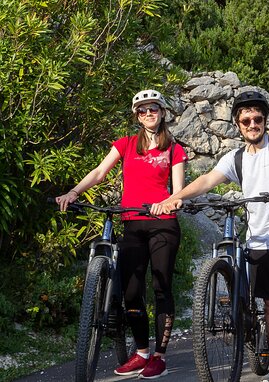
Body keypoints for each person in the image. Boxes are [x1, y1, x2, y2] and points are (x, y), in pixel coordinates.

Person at [152, 90, 269, 382]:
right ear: (237, 124)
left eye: (257, 118)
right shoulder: (236, 158)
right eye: (246, 120)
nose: (252, 124)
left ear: (265, 120)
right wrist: (175, 198)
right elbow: (206, 180)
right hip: (258, 242)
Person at [56, 90, 187, 379]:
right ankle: (141, 352)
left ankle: (159, 356)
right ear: (136, 116)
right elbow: (100, 171)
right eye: (142, 111)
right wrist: (74, 191)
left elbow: (179, 191)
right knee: (130, 290)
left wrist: (170, 201)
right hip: (131, 223)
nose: (148, 114)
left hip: (162, 223)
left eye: (152, 109)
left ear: (162, 112)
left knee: (161, 285)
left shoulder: (174, 149)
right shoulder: (126, 144)